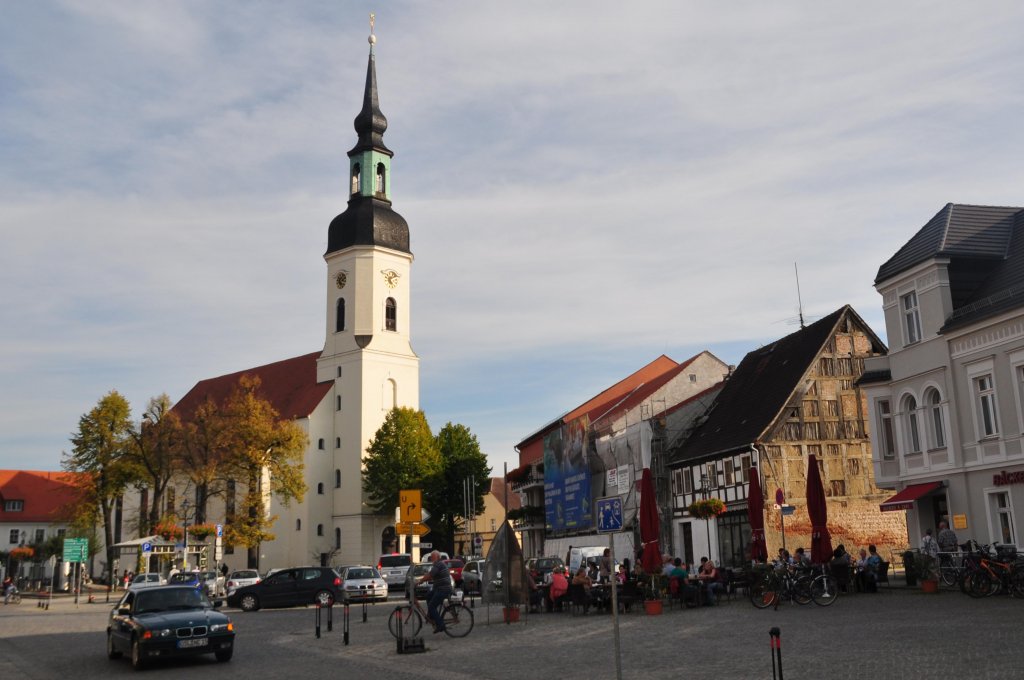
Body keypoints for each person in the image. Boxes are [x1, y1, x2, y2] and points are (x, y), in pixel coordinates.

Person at [417, 550, 453, 634]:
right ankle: (432, 616)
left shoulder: (439, 564)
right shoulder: (437, 564)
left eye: (432, 557)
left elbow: (430, 575)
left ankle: (440, 625)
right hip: (439, 588)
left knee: (432, 606)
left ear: (437, 557)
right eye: (431, 557)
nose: (431, 558)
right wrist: (423, 578)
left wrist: (420, 581)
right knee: (428, 595)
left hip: (443, 589)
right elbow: (430, 574)